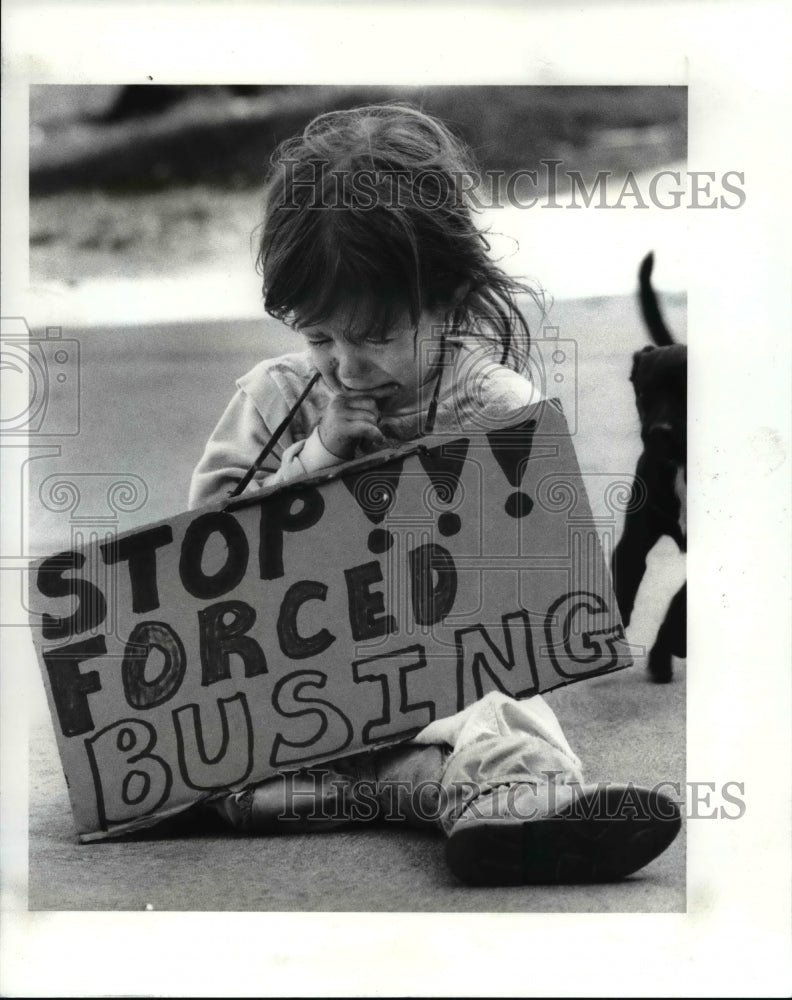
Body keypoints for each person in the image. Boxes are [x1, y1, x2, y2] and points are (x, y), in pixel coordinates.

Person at [189, 103, 681, 886]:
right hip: (292, 699)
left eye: (375, 337)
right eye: (320, 336)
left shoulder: (491, 403)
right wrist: (313, 458)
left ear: (447, 303)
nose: (345, 366)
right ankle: (441, 797)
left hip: (430, 696)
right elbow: (195, 551)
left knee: (497, 720)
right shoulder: (276, 395)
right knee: (209, 750)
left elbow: (539, 572)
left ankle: (493, 814)